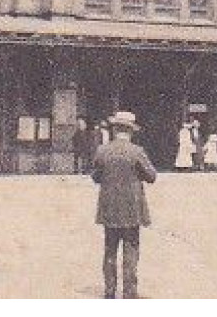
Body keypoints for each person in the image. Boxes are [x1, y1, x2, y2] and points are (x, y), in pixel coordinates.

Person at [91, 111, 158, 299]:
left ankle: (109, 291)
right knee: (131, 250)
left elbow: (95, 177)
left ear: (114, 129)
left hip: (109, 209)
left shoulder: (102, 151)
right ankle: (129, 292)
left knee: (110, 249)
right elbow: (152, 176)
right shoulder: (137, 151)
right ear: (130, 131)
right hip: (132, 209)